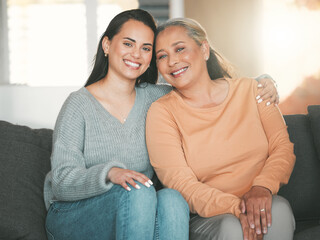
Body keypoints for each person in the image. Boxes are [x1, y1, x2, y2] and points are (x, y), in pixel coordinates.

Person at [43, 9, 278, 240]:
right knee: (141, 191)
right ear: (106, 45)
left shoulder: (156, 99)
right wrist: (110, 173)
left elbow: (203, 86)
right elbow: (62, 182)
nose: (136, 54)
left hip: (137, 208)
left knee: (173, 199)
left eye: (145, 48)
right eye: (128, 44)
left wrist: (261, 82)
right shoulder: (79, 104)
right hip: (72, 215)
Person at [146, 18, 296, 240]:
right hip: (208, 217)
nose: (172, 61)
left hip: (264, 199)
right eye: (162, 56)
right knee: (231, 227)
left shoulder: (254, 90)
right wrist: (238, 208)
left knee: (278, 212)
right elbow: (179, 182)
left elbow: (282, 148)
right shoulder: (162, 112)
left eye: (179, 49)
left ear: (204, 49)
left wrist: (262, 188)